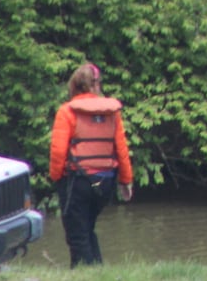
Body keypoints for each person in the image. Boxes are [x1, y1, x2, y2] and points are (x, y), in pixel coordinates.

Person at [49, 62, 134, 267]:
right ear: (97, 85)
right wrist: (126, 180)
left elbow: (58, 151)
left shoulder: (66, 112)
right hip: (105, 182)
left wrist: (55, 177)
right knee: (86, 229)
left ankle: (83, 273)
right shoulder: (112, 112)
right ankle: (97, 270)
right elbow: (121, 148)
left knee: (77, 235)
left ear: (74, 86)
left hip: (77, 181)